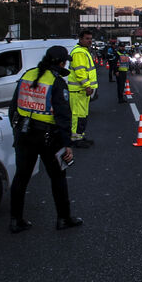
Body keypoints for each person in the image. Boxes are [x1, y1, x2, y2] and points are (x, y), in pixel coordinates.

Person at [9, 45, 84, 233]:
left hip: (24, 134)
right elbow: (63, 115)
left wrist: (17, 131)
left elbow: (13, 107)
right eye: (65, 61)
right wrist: (67, 144)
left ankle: (15, 220)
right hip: (49, 137)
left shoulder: (28, 75)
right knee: (58, 177)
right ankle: (63, 218)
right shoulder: (57, 82)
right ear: (60, 62)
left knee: (21, 178)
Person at [68, 29, 98, 148]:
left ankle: (80, 135)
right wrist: (87, 86)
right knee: (78, 115)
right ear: (80, 39)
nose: (89, 41)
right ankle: (75, 139)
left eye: (90, 39)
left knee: (83, 115)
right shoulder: (79, 52)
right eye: (87, 38)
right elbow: (80, 72)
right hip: (78, 89)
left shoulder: (84, 51)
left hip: (81, 90)